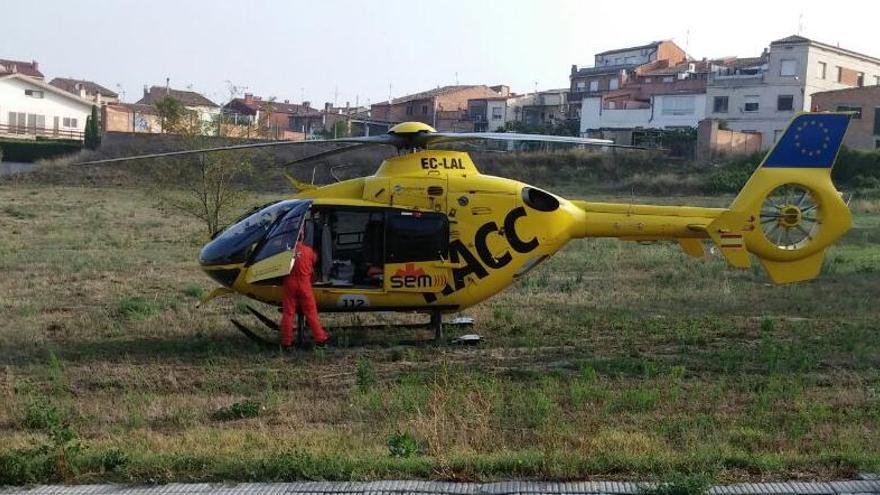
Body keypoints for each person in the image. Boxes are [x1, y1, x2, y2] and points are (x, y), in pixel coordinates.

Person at [280, 230, 329, 348]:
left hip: (289, 284)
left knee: (288, 313)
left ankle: (286, 342)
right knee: (311, 313)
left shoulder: (285, 252)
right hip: (304, 285)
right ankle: (320, 339)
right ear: (302, 237)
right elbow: (315, 260)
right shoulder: (309, 251)